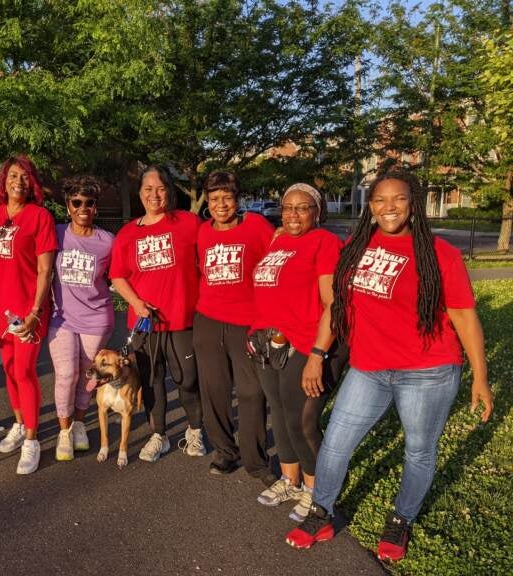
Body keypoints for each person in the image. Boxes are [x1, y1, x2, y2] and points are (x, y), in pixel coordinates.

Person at [285, 168, 494, 562]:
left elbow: (465, 318)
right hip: (369, 369)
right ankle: (321, 512)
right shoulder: (356, 248)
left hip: (427, 372)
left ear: (413, 203)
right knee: (336, 444)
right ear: (370, 206)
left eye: (398, 199)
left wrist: (480, 378)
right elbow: (337, 307)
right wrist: (317, 353)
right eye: (379, 200)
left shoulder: (439, 254)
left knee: (418, 450)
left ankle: (401, 519)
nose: (388, 207)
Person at [249, 183, 344, 522]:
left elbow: (332, 303)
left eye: (302, 207)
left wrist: (318, 355)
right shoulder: (278, 240)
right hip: (268, 341)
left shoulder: (324, 242)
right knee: (279, 413)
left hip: (304, 341)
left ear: (317, 212)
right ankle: (289, 481)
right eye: (287, 207)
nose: (293, 213)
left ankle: (316, 490)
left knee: (299, 419)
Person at [0, 156, 56, 475]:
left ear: (32, 184)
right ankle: (19, 423)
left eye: (25, 176)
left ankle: (32, 439)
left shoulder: (39, 216)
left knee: (25, 371)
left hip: (27, 311)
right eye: (13, 175)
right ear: (2, 182)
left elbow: (45, 269)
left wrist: (34, 311)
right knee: (9, 368)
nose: (19, 181)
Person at [109, 164, 204, 462]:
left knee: (187, 378)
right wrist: (136, 303)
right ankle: (158, 434)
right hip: (145, 323)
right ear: (140, 194)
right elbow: (118, 277)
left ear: (169, 192)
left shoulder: (188, 222)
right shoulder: (127, 234)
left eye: (160, 188)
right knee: (152, 381)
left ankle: (194, 430)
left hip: (182, 319)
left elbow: (217, 242)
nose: (154, 194)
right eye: (148, 189)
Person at [192, 171, 276, 484]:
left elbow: (277, 261)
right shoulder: (202, 232)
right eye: (214, 199)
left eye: (227, 197)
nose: (221, 204)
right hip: (209, 321)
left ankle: (256, 460)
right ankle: (225, 452)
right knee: (215, 391)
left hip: (248, 323)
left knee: (252, 392)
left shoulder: (256, 226)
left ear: (237, 199)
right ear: (207, 202)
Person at [48, 176, 114, 461]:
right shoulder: (56, 233)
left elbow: (122, 275)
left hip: (97, 319)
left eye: (89, 203)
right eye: (77, 202)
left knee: (88, 375)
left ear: (96, 207)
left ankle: (78, 425)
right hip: (61, 319)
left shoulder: (107, 242)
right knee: (66, 374)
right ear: (68, 206)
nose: (83, 207)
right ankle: (63, 432)